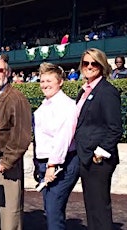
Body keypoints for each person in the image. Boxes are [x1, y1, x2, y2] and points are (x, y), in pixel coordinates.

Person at [75, 48, 123, 230]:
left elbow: (115, 128)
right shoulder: (84, 91)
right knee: (91, 207)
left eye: (94, 63)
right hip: (85, 156)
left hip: (98, 161)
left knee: (100, 208)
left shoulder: (107, 91)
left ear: (102, 66)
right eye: (86, 63)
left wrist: (100, 153)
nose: (89, 66)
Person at [0, 59, 32, 230]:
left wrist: (7, 161)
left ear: (8, 72)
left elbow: (22, 134)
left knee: (9, 214)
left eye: (0, 70)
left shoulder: (16, 98)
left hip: (6, 164)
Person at [34, 62, 80, 230]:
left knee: (54, 210)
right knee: (50, 209)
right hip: (45, 162)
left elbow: (63, 137)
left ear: (60, 81)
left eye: (49, 81)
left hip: (62, 163)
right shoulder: (45, 104)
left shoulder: (67, 105)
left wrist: (52, 165)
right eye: (42, 81)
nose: (45, 85)